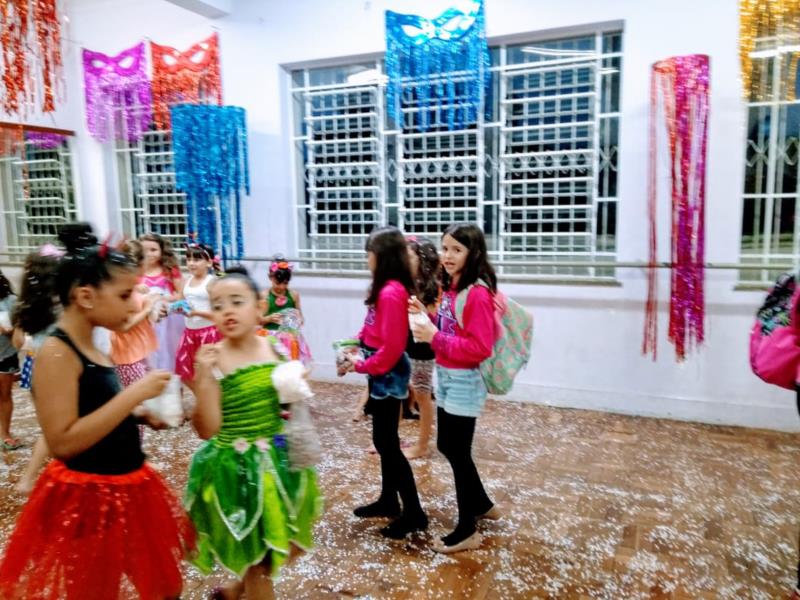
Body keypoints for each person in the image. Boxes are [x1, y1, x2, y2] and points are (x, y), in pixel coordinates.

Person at [0, 223, 194, 599]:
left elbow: (96, 408)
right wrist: (131, 396)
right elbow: (62, 441)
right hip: (88, 497)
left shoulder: (92, 345)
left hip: (127, 487)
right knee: (96, 587)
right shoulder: (57, 352)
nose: (133, 304)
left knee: (165, 585)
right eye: (124, 295)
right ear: (86, 296)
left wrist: (137, 414)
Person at [186, 266, 322, 600]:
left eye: (237, 301)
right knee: (260, 561)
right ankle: (248, 583)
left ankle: (235, 588)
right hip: (238, 471)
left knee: (286, 543)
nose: (227, 311)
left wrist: (294, 384)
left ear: (259, 308)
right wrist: (202, 377)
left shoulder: (273, 346)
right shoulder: (215, 360)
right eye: (218, 305)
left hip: (277, 459)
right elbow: (207, 429)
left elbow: (282, 401)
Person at [410, 223, 501, 553]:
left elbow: (480, 347)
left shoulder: (476, 294)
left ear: (473, 254)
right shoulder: (452, 288)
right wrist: (428, 318)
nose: (447, 256)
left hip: (465, 380)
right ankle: (482, 504)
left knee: (457, 451)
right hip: (448, 374)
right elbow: (451, 330)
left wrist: (434, 337)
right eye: (445, 248)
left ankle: (467, 531)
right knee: (449, 446)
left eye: (457, 250)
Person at [341, 226, 427, 540]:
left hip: (388, 373)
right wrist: (355, 343)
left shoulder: (391, 292)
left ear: (382, 256)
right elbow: (372, 328)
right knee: (384, 440)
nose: (367, 259)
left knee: (387, 444)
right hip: (381, 370)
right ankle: (389, 500)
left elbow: (392, 348)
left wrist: (362, 364)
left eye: (370, 253)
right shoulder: (385, 289)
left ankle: (414, 513)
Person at [403, 236, 440, 460]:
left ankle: (423, 445)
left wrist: (422, 310)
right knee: (405, 392)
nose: (403, 260)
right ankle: (391, 439)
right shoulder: (406, 283)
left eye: (408, 256)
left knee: (422, 396)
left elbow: (435, 322)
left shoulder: (432, 287)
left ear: (422, 259)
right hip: (406, 345)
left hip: (423, 349)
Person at [174, 242, 221, 389]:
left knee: (211, 372)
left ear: (209, 262)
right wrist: (176, 308)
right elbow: (179, 302)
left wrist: (195, 312)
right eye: (188, 259)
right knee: (184, 369)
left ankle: (213, 398)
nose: (191, 263)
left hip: (209, 334)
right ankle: (200, 397)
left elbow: (219, 314)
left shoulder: (212, 282)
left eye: (196, 259)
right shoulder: (185, 281)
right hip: (190, 333)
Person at [140, 233, 184, 372]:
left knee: (169, 348)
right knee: (149, 352)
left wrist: (164, 299)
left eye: (153, 250)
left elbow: (181, 294)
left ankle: (169, 375)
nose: (149, 254)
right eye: (144, 250)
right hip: (146, 318)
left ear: (161, 250)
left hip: (168, 318)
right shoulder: (136, 271)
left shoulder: (170, 270)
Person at [0, 267, 20, 450]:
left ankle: (5, 433)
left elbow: (20, 331)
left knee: (4, 395)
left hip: (5, 354)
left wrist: (9, 330)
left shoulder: (11, 301)